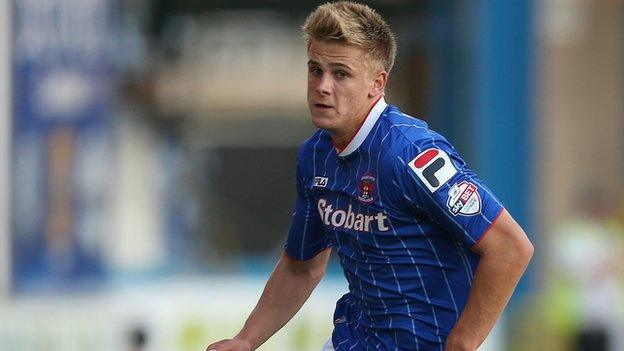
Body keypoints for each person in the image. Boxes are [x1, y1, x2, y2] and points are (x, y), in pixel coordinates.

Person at [206, 2, 533, 350]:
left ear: (377, 84)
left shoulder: (409, 154)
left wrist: (463, 344)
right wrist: (246, 339)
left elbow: (510, 247)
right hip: (353, 340)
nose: (322, 86)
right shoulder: (315, 156)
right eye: (315, 70)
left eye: (340, 74)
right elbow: (302, 266)